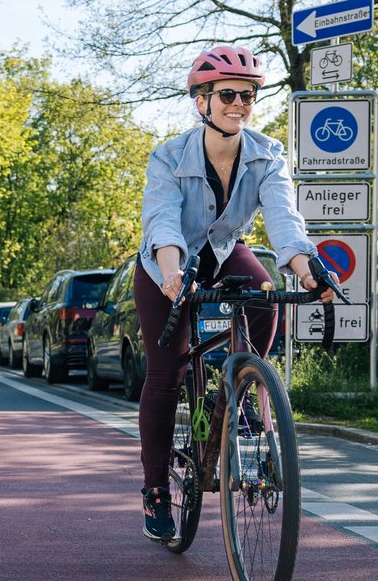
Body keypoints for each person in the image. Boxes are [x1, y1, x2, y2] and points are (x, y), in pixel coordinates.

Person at [135, 45, 334, 541]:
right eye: (227, 94)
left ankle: (242, 384)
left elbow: (285, 219)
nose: (239, 104)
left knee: (266, 298)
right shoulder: (168, 156)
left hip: (224, 252)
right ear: (201, 101)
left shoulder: (268, 155)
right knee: (167, 370)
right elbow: (162, 221)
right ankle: (156, 489)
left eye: (247, 96)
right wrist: (172, 273)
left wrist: (307, 268)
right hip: (166, 263)